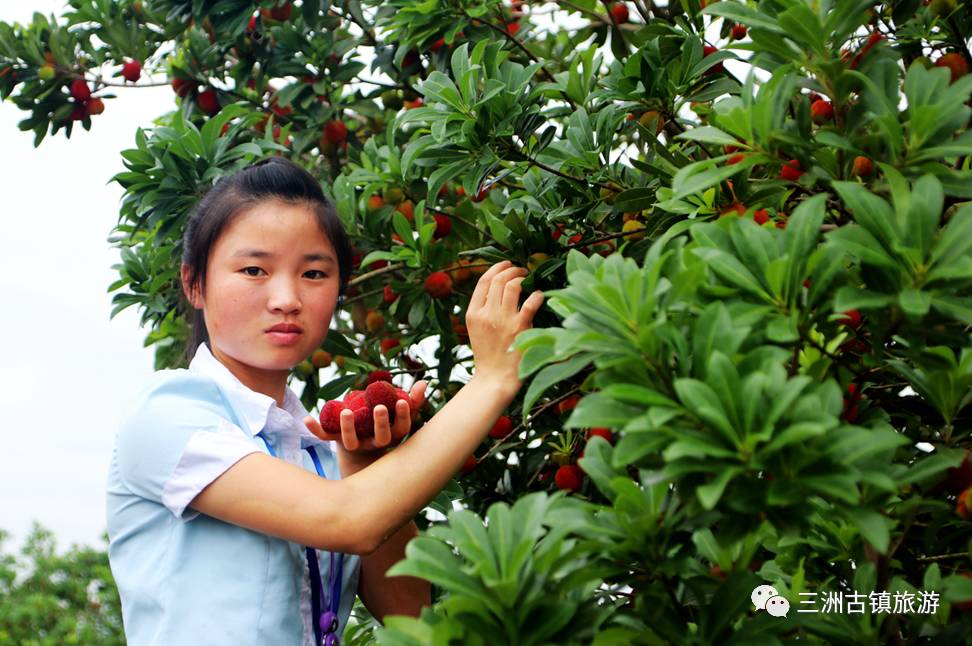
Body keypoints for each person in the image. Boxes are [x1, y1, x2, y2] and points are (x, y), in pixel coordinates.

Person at [105, 156, 545, 645]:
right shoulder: (168, 417)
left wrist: (362, 461)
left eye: (314, 274)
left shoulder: (315, 451)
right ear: (195, 283)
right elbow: (346, 519)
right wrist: (489, 382)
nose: (287, 298)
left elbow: (409, 613)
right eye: (254, 269)